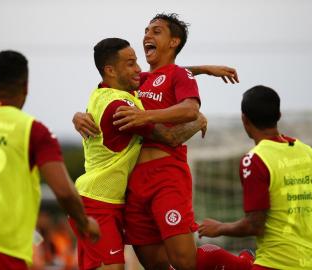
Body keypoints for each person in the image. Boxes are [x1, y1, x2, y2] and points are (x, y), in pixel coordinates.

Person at [74, 13, 254, 270]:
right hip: (134, 183)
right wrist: (79, 116)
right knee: (155, 264)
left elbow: (190, 109)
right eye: (146, 30)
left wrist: (144, 115)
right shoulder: (138, 81)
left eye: (156, 31)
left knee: (184, 261)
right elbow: (105, 96)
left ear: (174, 42)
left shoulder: (177, 76)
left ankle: (242, 264)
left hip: (166, 176)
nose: (148, 35)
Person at [0, 50, 100, 270]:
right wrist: (85, 223)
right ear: (26, 87)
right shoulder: (33, 130)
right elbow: (63, 191)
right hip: (3, 251)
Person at [70, 38, 207, 270]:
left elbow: (163, 76)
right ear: (110, 70)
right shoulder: (121, 106)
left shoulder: (102, 91)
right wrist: (198, 121)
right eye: (131, 63)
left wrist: (204, 70)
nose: (139, 69)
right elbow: (170, 137)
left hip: (108, 201)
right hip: (98, 203)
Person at [199, 85, 312, 270]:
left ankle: (246, 261)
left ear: (244, 119)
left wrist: (219, 227)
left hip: (278, 264)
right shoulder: (308, 152)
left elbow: (255, 226)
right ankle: (246, 260)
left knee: (206, 255)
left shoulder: (255, 159)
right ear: (279, 115)